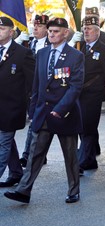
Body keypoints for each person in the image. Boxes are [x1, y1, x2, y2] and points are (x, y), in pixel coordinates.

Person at [4, 18, 84, 204]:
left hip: (65, 114)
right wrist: (33, 110)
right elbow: (37, 85)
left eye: (56, 31)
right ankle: (24, 190)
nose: (52, 34)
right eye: (50, 31)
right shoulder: (41, 53)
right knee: (35, 154)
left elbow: (75, 87)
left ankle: (74, 190)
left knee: (70, 156)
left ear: (65, 33)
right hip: (43, 112)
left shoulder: (75, 56)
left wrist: (61, 108)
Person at [78, 16, 105, 170]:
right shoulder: (78, 46)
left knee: (88, 125)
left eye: (89, 29)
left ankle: (83, 160)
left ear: (97, 32)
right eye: (84, 29)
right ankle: (90, 158)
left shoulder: (104, 50)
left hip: (93, 93)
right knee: (81, 125)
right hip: (79, 93)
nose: (86, 32)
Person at [0, 17, 35, 187]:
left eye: (2, 29)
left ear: (11, 32)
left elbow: (32, 82)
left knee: (3, 144)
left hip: (11, 108)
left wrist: (28, 104)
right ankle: (15, 172)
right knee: (6, 142)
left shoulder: (22, 53)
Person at [15, 14, 51, 168]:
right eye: (34, 25)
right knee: (35, 122)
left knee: (39, 123)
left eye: (40, 26)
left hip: (45, 89)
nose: (35, 28)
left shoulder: (51, 44)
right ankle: (33, 154)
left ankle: (29, 154)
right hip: (29, 89)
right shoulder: (28, 43)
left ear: (47, 29)